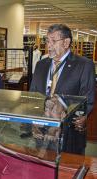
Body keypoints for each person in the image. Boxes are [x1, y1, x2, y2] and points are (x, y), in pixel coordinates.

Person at [30, 24, 95, 154]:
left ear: (66, 43)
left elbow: (87, 100)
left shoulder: (84, 65)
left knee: (67, 170)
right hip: (41, 131)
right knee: (43, 168)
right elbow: (33, 95)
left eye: (53, 41)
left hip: (68, 134)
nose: (49, 45)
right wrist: (34, 121)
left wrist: (76, 117)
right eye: (47, 41)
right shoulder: (41, 65)